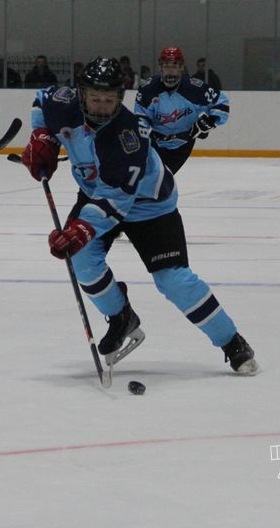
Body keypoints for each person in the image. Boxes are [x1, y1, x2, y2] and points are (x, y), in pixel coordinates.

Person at [19, 57, 258, 375]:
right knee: (81, 259)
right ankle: (121, 316)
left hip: (149, 205)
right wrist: (42, 138)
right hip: (97, 193)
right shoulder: (63, 104)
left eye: (109, 99)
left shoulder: (128, 137)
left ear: (120, 98)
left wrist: (79, 230)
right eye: (95, 98)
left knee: (174, 281)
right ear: (81, 94)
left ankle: (232, 342)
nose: (102, 106)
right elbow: (42, 100)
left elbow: (114, 202)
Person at [134, 46, 230, 174]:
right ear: (160, 68)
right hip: (155, 142)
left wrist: (210, 121)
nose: (170, 71)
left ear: (181, 68)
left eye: (174, 66)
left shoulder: (194, 89)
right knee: (142, 178)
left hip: (182, 146)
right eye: (167, 66)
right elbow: (141, 118)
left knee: (159, 178)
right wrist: (141, 137)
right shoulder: (148, 89)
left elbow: (222, 103)